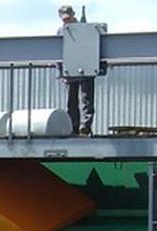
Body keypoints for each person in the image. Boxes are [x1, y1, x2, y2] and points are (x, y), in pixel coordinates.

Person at [58, 5, 95, 136]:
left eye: (68, 18)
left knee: (86, 100)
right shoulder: (61, 32)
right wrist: (61, 72)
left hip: (86, 69)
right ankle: (74, 126)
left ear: (73, 15)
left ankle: (85, 126)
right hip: (70, 70)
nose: (66, 22)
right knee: (71, 102)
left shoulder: (85, 29)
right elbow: (58, 54)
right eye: (64, 20)